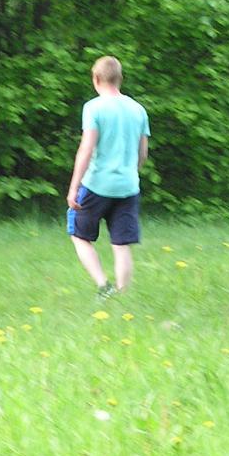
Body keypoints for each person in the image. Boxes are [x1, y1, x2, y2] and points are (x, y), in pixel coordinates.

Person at [66, 56, 150, 297]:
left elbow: (87, 148)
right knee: (121, 244)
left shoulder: (93, 108)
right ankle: (123, 296)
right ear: (120, 78)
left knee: (79, 236)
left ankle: (104, 286)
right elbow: (143, 153)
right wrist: (131, 172)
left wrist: (74, 188)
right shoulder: (138, 109)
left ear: (96, 78)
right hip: (128, 187)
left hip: (97, 185)